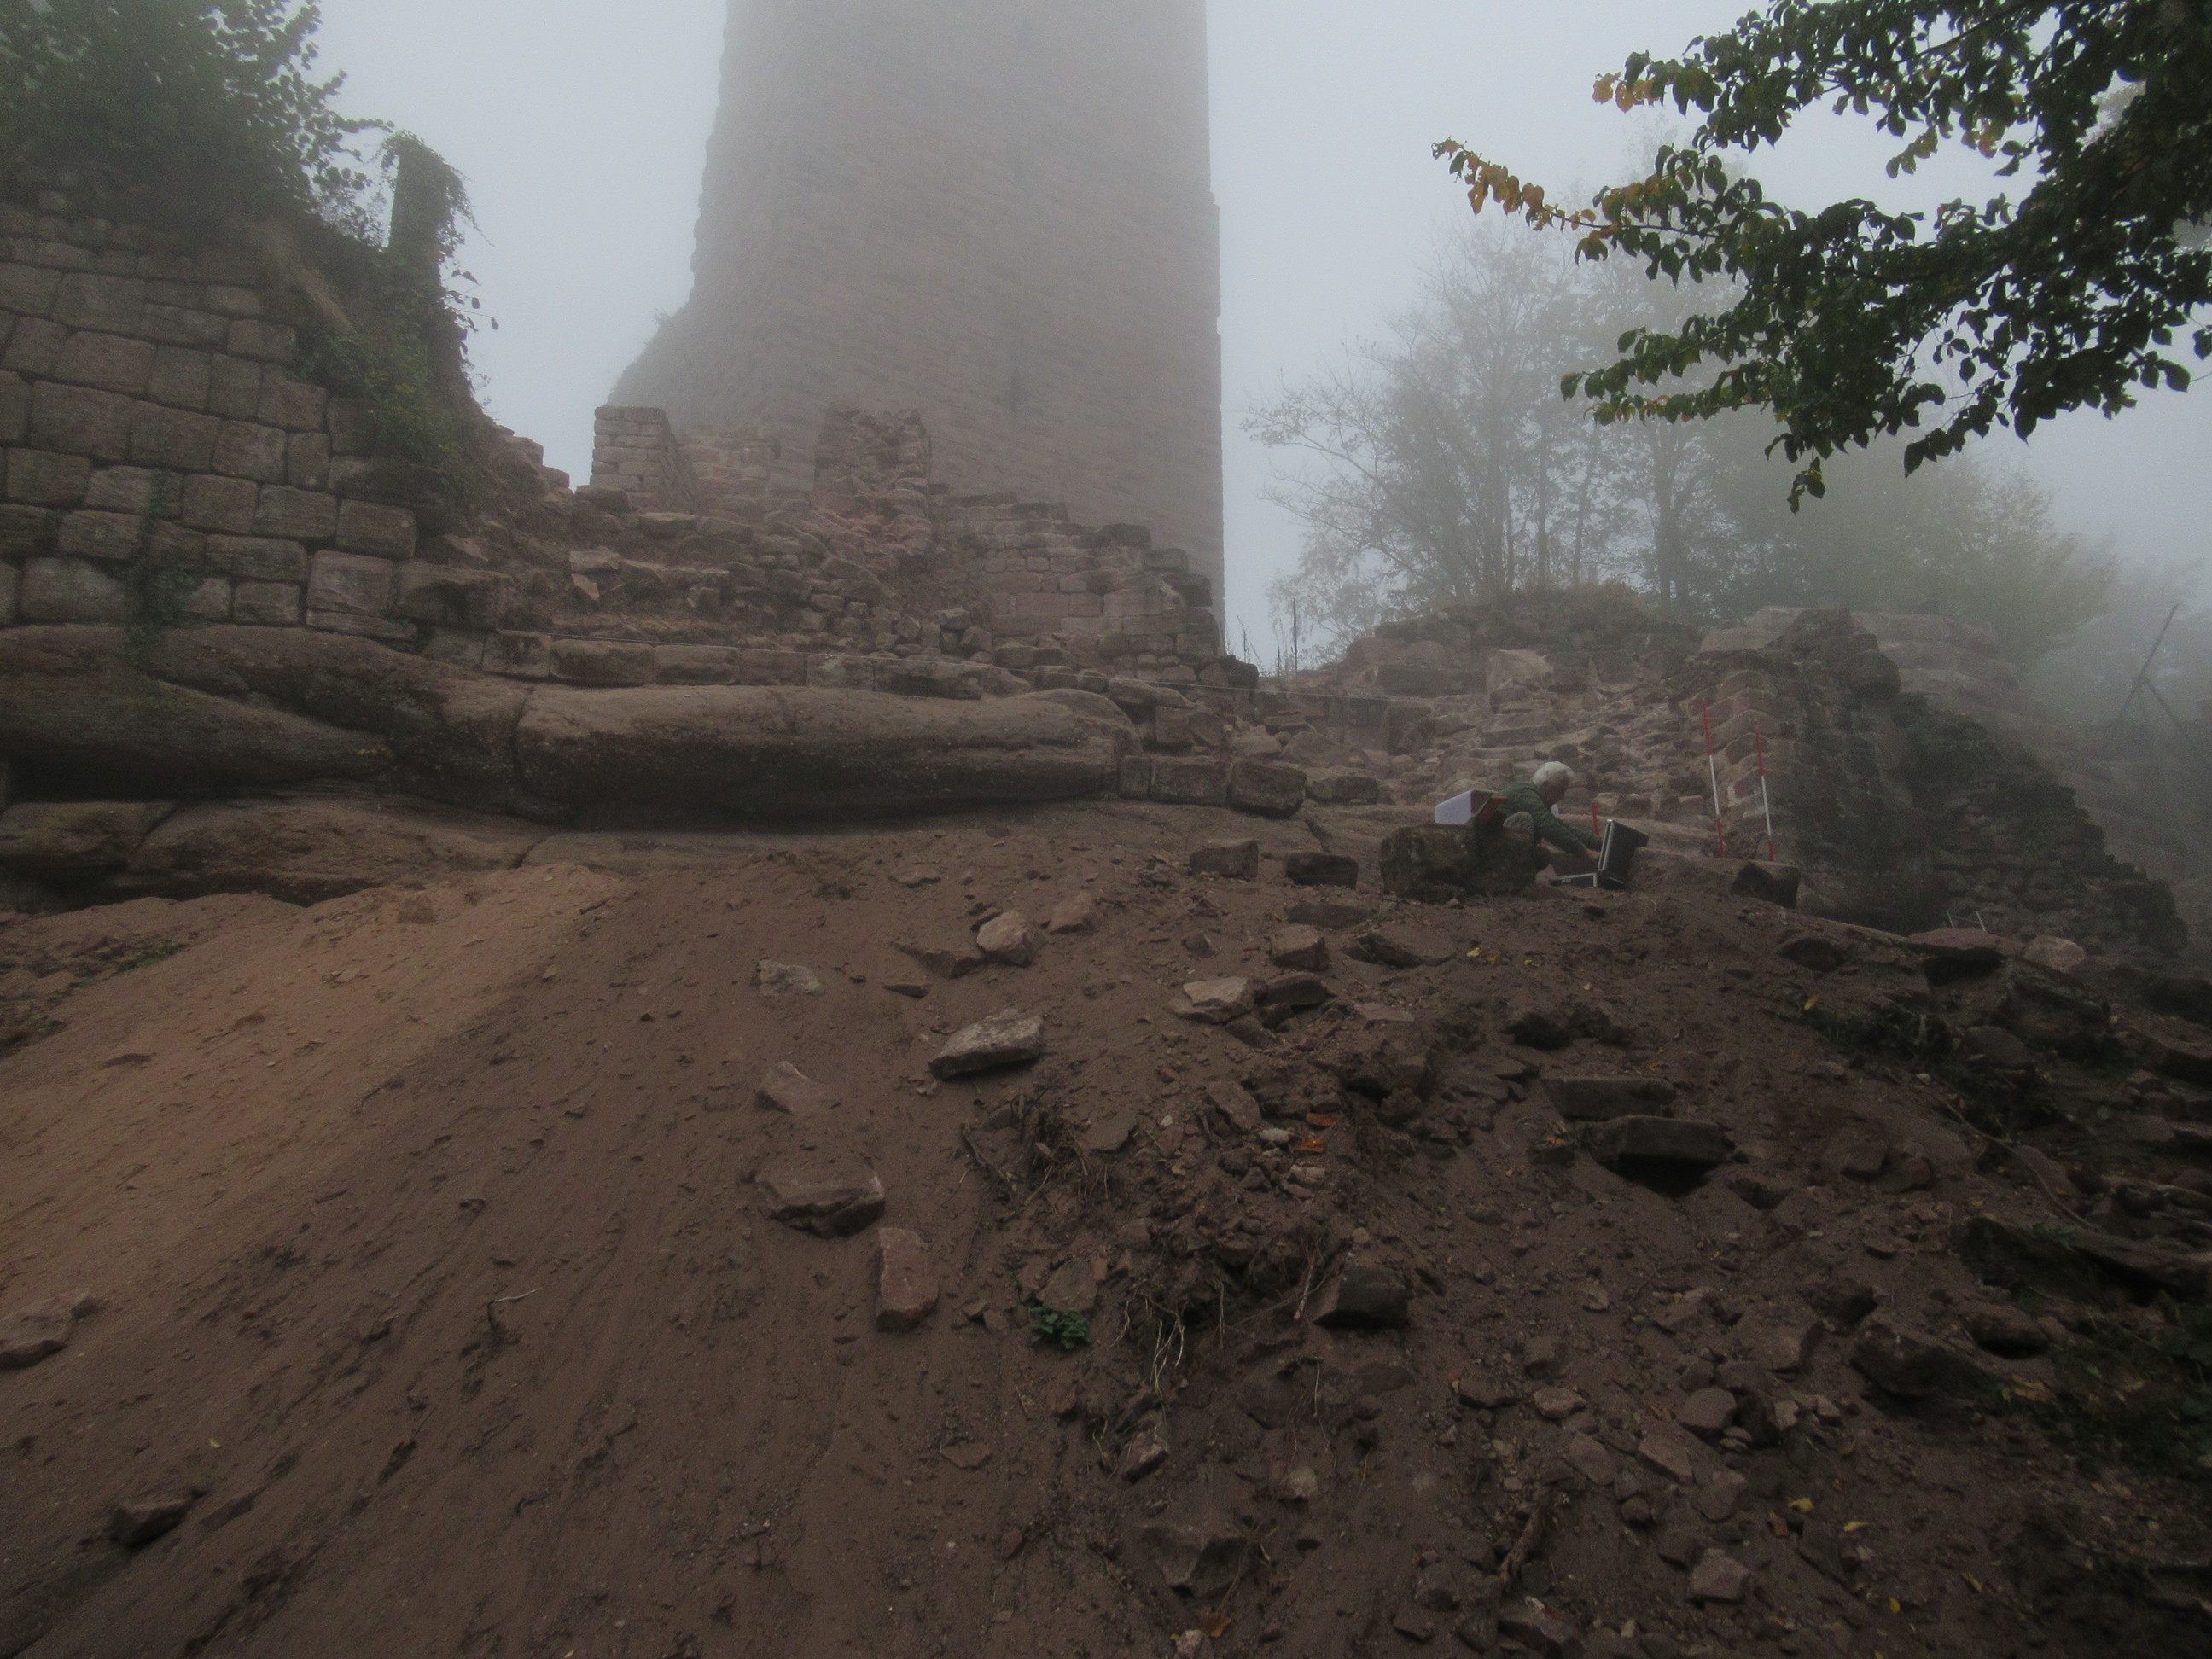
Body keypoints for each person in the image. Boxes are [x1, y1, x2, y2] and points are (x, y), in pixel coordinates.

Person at [1504, 760, 1601, 875]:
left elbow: (1561, 826)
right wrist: (1587, 853)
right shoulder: (1525, 793)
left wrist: (1598, 843)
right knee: (1524, 818)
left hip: (1500, 850)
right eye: (1561, 790)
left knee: (1542, 856)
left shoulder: (1535, 798)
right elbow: (1548, 826)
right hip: (1492, 850)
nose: (1563, 797)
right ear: (1546, 784)